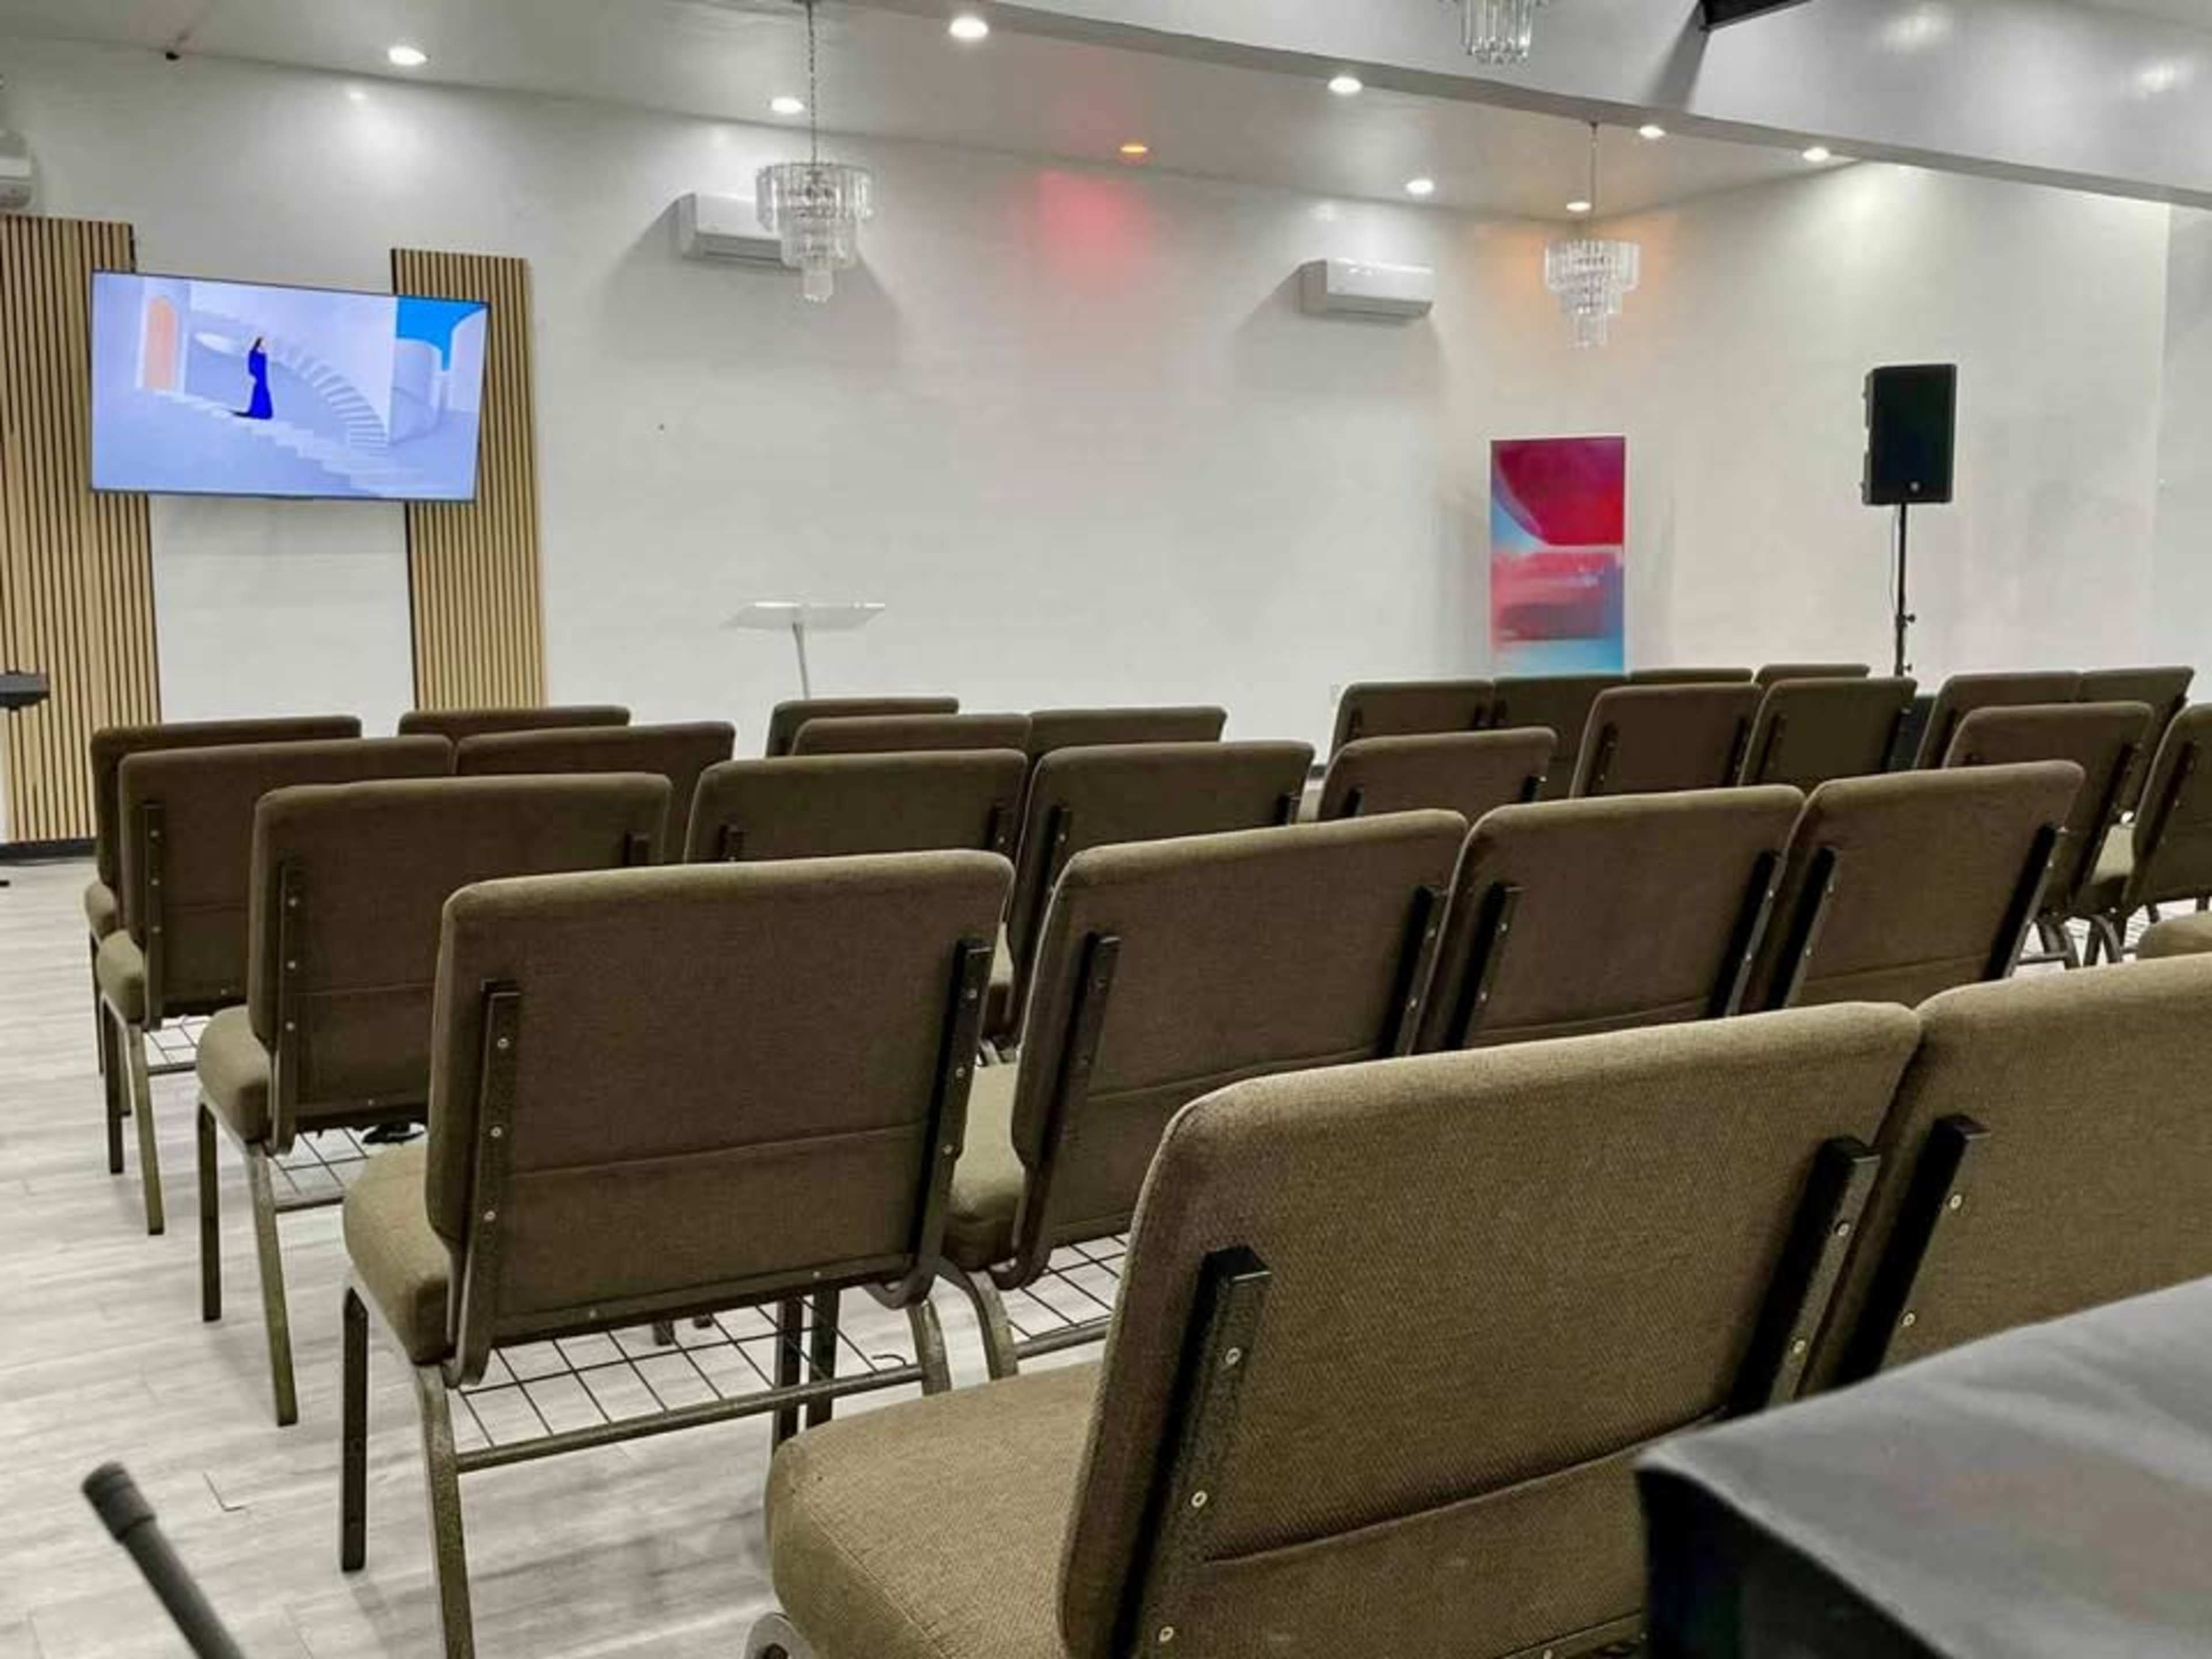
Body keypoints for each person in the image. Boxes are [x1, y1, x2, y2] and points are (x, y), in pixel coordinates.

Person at [236, 335, 273, 420]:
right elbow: (251, 364)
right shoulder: (254, 353)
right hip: (257, 376)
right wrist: (252, 374)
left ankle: (264, 412)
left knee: (263, 393)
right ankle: (258, 412)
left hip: (263, 377)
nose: (264, 345)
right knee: (259, 393)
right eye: (263, 343)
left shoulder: (264, 353)